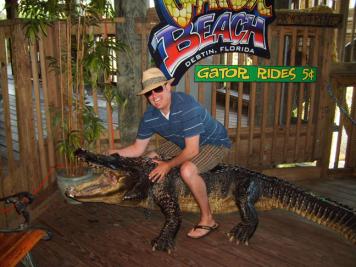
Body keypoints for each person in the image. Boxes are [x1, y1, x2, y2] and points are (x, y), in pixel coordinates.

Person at [109, 67, 231, 239]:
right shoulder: (150, 116)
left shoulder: (186, 105)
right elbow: (137, 149)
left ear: (168, 86)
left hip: (213, 143)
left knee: (187, 170)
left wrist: (168, 165)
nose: (154, 96)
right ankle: (149, 197)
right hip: (183, 141)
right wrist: (115, 154)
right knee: (150, 157)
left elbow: (193, 150)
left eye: (158, 89)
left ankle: (208, 219)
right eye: (149, 93)